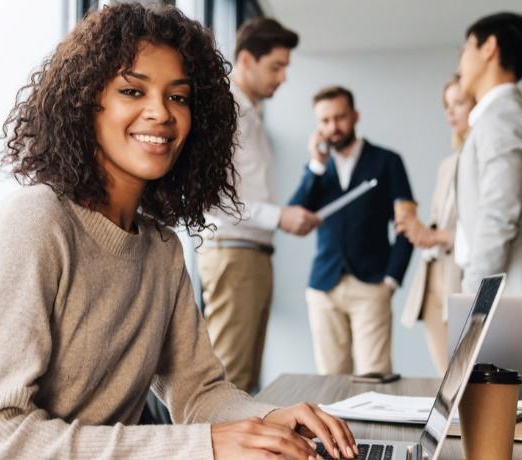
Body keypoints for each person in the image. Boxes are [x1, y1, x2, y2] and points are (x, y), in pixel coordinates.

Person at [0, 5, 358, 459]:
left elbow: (199, 392)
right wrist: (205, 445)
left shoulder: (161, 249)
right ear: (85, 101)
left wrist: (268, 421)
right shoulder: (36, 221)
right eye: (132, 91)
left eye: (178, 97)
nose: (161, 112)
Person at [199, 17, 319, 393]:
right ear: (247, 60)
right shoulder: (228, 111)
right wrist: (279, 216)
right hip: (235, 253)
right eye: (276, 66)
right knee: (230, 381)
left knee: (245, 380)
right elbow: (213, 199)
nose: (283, 77)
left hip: (251, 253)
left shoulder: (251, 113)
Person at [289, 86, 414, 376]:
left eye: (340, 117)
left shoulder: (387, 161)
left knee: (375, 376)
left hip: (372, 284)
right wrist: (316, 167)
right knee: (330, 379)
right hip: (324, 286)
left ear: (355, 116)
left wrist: (392, 279)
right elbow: (294, 216)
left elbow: (407, 224)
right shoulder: (317, 170)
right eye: (325, 121)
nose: (333, 127)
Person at [452, 12, 522, 295]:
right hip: (511, 295)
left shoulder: (502, 116)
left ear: (489, 47)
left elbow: (499, 214)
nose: (460, 63)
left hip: (508, 298)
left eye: (465, 49)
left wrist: (471, 293)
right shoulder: (509, 114)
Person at [399, 77, 475, 375]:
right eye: (447, 105)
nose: (451, 113)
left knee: (465, 376)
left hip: (460, 277)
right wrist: (418, 230)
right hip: (432, 278)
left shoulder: (482, 160)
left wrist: (435, 235)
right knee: (446, 377)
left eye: (459, 103)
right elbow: (439, 223)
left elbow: (484, 231)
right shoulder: (449, 164)